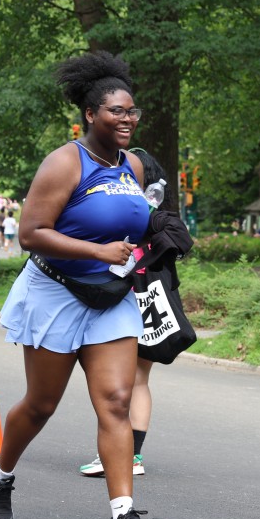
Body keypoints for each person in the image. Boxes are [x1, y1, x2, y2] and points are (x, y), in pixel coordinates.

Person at [0, 51, 167, 519]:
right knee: (41, 405)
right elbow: (31, 233)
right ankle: (0, 472)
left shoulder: (132, 165)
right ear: (90, 114)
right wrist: (96, 251)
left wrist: (159, 238)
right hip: (55, 293)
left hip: (111, 297)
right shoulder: (65, 162)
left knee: (117, 401)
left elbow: (132, 226)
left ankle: (123, 517)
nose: (127, 119)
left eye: (132, 111)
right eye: (116, 111)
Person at [77, 149, 179, 479]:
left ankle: (116, 454)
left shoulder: (128, 211)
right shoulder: (161, 215)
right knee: (139, 381)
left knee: (115, 383)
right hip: (154, 300)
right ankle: (133, 456)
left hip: (126, 299)